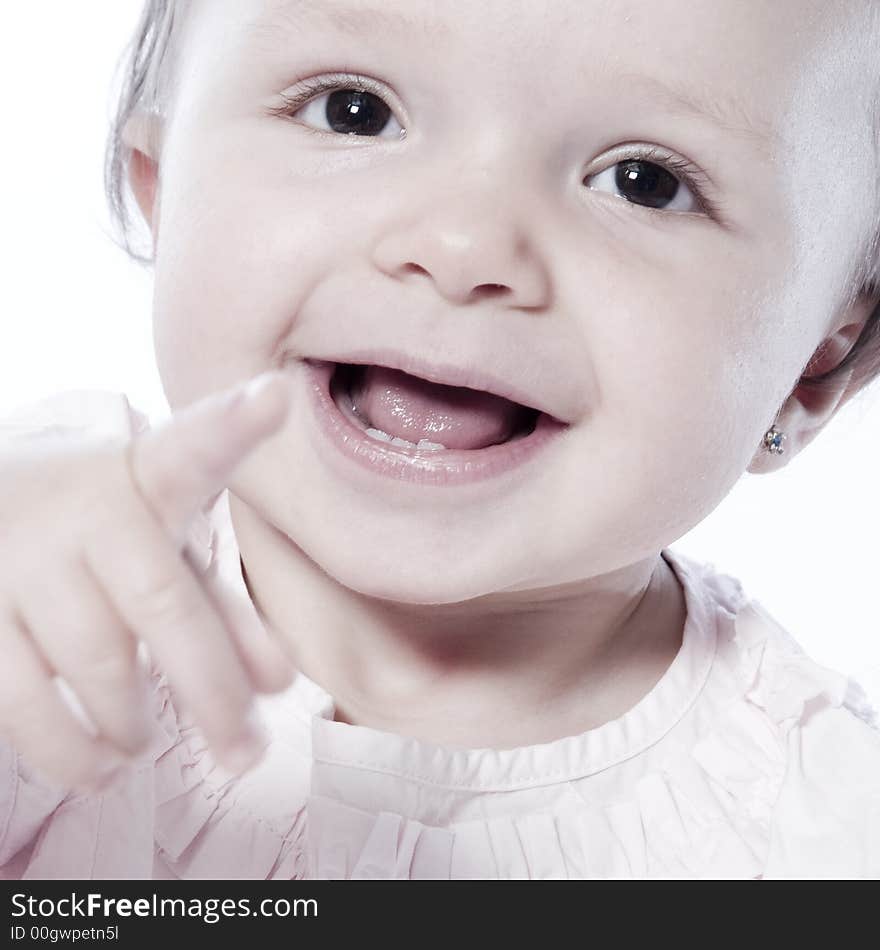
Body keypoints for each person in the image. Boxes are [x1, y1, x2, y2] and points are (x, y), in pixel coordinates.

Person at [1, 0, 879, 879]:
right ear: (164, 190)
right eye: (355, 110)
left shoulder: (826, 833)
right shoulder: (34, 570)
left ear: (812, 368)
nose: (463, 247)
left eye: (645, 181)